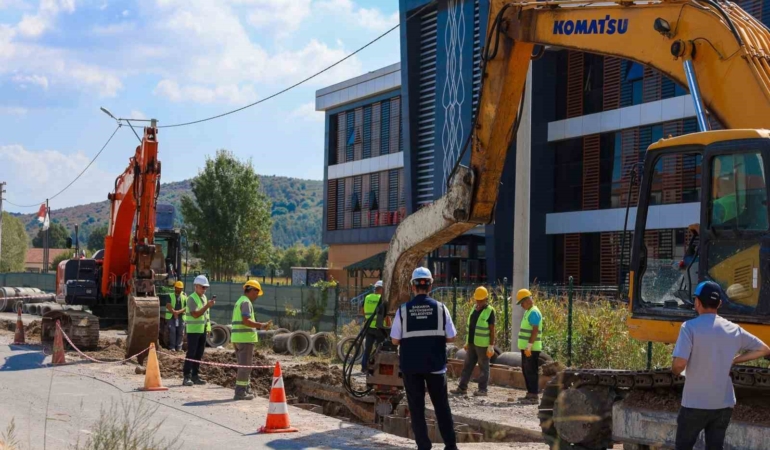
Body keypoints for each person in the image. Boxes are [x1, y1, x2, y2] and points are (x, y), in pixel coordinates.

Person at [672, 281, 770, 450]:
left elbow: (680, 364)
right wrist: (735, 359)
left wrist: (675, 369)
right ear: (719, 304)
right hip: (723, 405)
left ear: (697, 302)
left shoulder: (689, 328)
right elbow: (764, 349)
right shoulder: (733, 329)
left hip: (694, 404)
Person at [391, 267, 458, 450]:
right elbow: (452, 336)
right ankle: (451, 446)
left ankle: (424, 446)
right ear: (430, 285)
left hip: (411, 367)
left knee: (416, 408)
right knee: (442, 407)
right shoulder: (441, 308)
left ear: (413, 286)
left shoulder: (403, 311)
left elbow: (395, 339)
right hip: (435, 365)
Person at [231, 280, 272, 400]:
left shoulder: (240, 301)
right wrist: (261, 325)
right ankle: (240, 392)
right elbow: (246, 321)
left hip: (238, 339)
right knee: (245, 367)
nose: (257, 296)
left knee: (244, 366)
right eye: (257, 292)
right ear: (252, 290)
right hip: (245, 339)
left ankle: (245, 388)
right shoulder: (246, 302)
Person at [451, 286, 495, 397]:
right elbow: (470, 327)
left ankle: (482, 390)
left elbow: (492, 329)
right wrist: (467, 342)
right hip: (472, 344)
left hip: (483, 345)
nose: (479, 302)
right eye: (477, 300)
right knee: (467, 365)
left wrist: (491, 345)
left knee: (483, 367)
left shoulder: (490, 311)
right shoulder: (473, 309)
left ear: (486, 299)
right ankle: (462, 388)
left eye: (481, 300)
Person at [183, 275, 215, 387]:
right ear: (196, 286)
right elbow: (195, 314)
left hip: (202, 330)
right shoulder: (191, 298)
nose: (204, 289)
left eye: (206, 287)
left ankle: (195, 375)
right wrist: (207, 306)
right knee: (191, 353)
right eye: (202, 287)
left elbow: (206, 316)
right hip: (193, 330)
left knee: (199, 354)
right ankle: (187, 376)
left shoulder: (204, 298)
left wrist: (208, 328)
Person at [516, 288, 542, 403]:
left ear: (527, 300)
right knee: (526, 371)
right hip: (527, 348)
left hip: (531, 349)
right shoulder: (529, 311)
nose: (521, 306)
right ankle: (530, 393)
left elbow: (535, 330)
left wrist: (529, 346)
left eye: (522, 303)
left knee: (531, 371)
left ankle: (534, 395)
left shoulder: (534, 312)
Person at [361, 280, 386, 374]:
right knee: (380, 348)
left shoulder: (367, 297)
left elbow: (362, 310)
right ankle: (376, 367)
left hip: (368, 327)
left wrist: (368, 318)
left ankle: (364, 367)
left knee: (368, 348)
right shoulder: (382, 299)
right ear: (382, 289)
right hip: (379, 328)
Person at [165, 281, 187, 352]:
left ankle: (179, 347)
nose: (179, 290)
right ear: (175, 288)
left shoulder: (184, 297)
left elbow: (187, 307)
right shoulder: (170, 295)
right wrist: (174, 312)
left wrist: (178, 312)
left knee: (181, 332)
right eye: (178, 288)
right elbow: (168, 305)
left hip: (181, 317)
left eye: (180, 288)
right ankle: (172, 347)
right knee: (173, 331)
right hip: (171, 317)